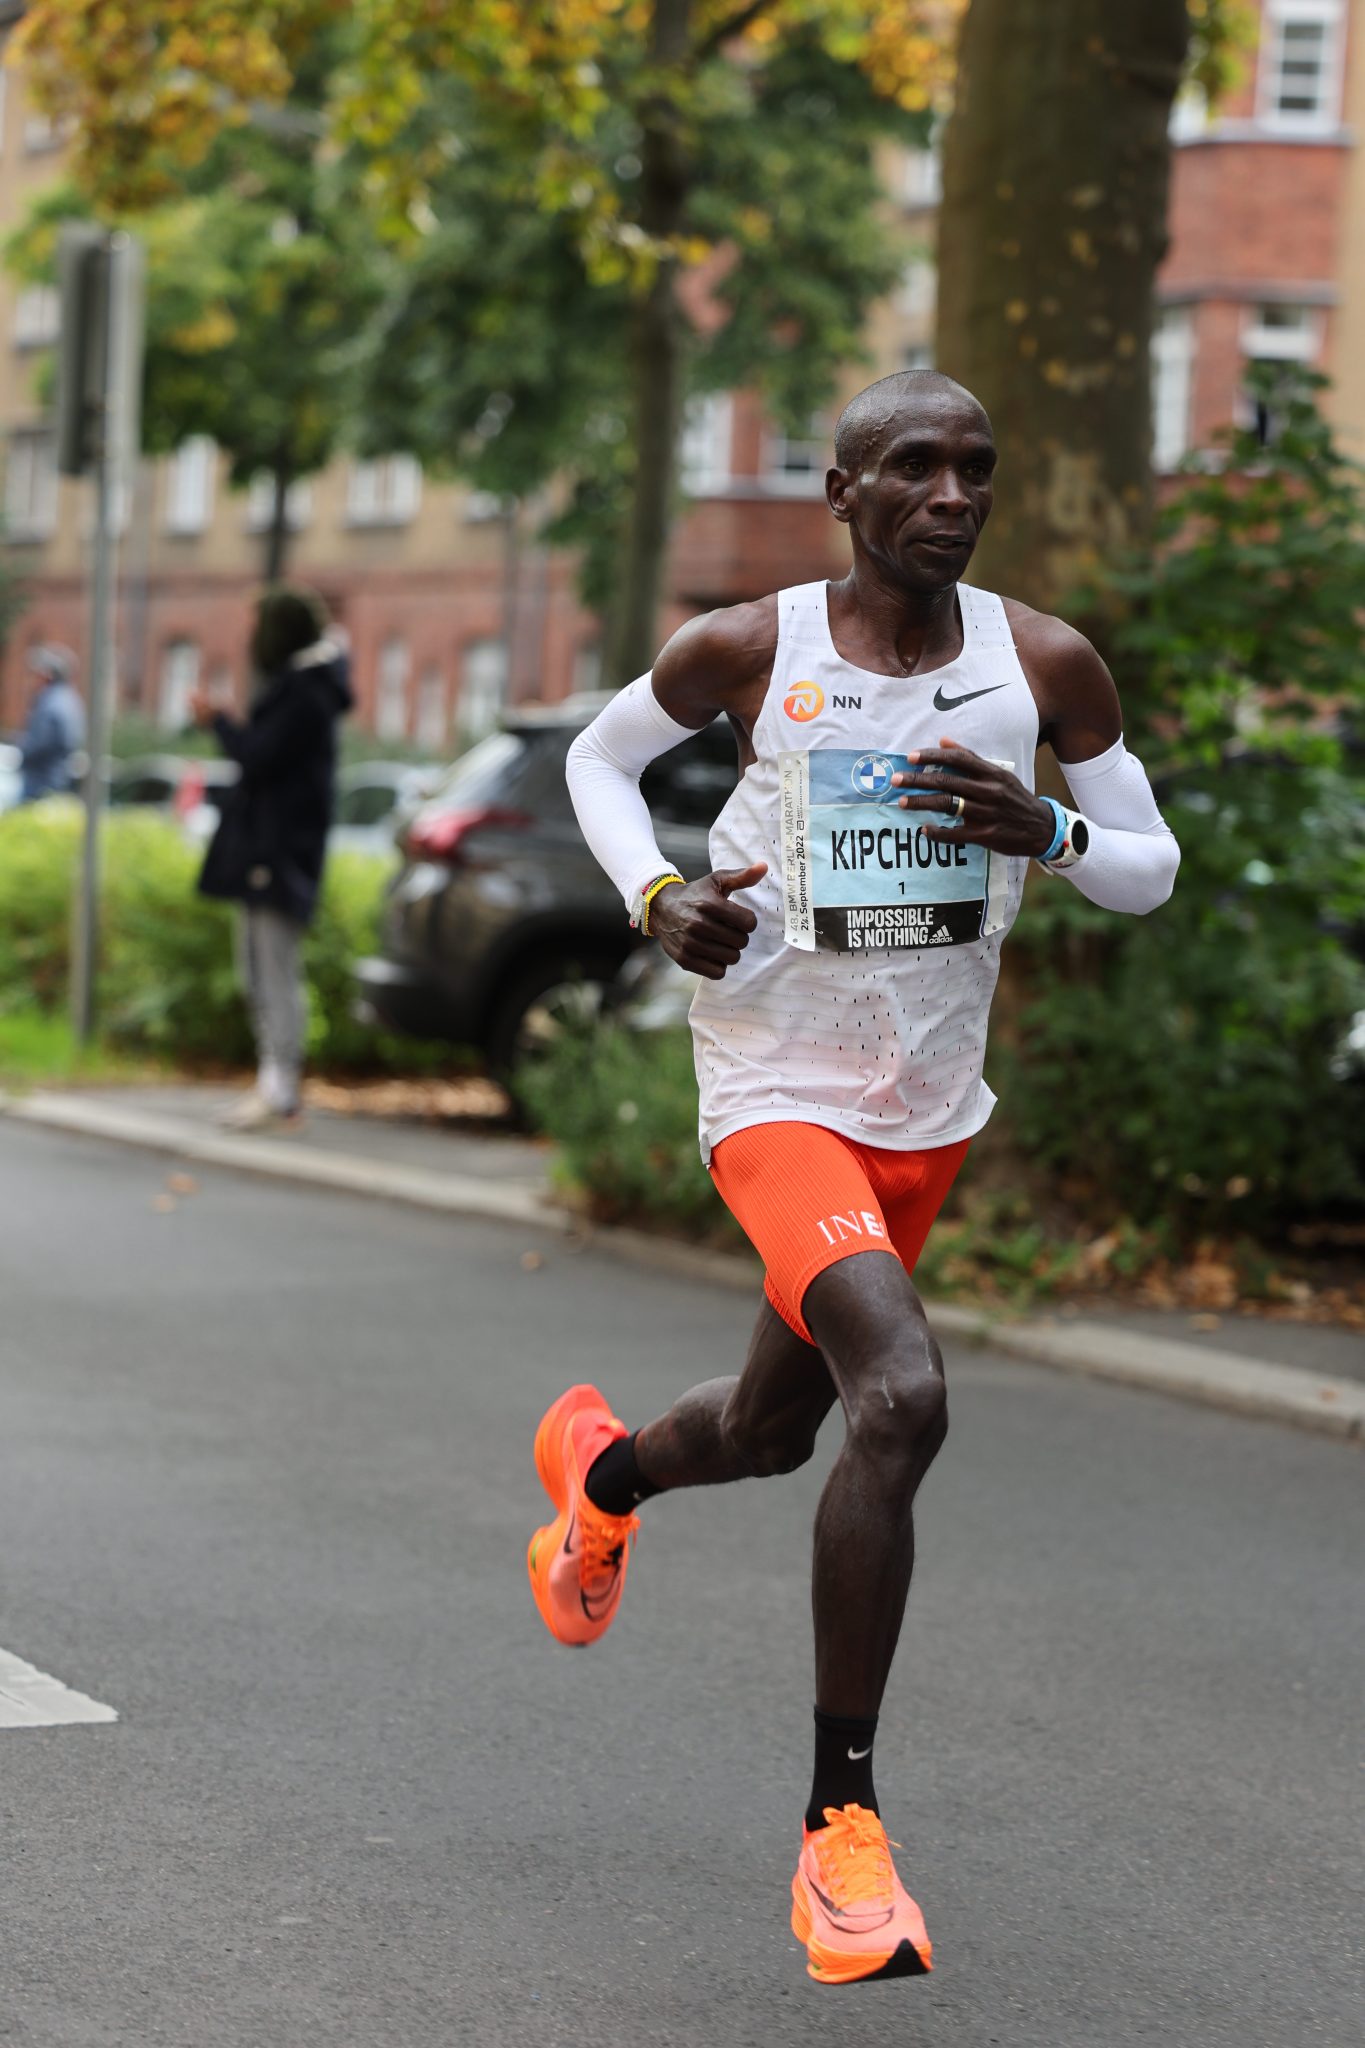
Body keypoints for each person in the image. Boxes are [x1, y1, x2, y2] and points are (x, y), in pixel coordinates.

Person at [527, 370, 1180, 1987]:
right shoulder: (757, 646)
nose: (951, 495)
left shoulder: (1043, 665)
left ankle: (599, 1481)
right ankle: (843, 1838)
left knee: (770, 1431)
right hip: (771, 1088)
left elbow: (1150, 870)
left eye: (975, 470)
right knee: (901, 1392)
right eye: (914, 468)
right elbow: (599, 768)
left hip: (926, 1107)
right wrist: (658, 892)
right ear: (842, 489)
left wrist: (1046, 830)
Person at [193, 587, 352, 1131]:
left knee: (272, 968)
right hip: (272, 849)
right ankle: (273, 1080)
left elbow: (259, 756)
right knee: (257, 968)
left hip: (279, 852)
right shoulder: (307, 687)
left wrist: (219, 722)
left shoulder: (306, 693)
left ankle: (280, 1086)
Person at [18, 645, 85, 801]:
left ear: (47, 675)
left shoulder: (50, 702)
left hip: (41, 782)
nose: (32, 681)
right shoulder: (70, 698)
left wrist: (23, 750)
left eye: (36, 675)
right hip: (58, 778)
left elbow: (38, 743)